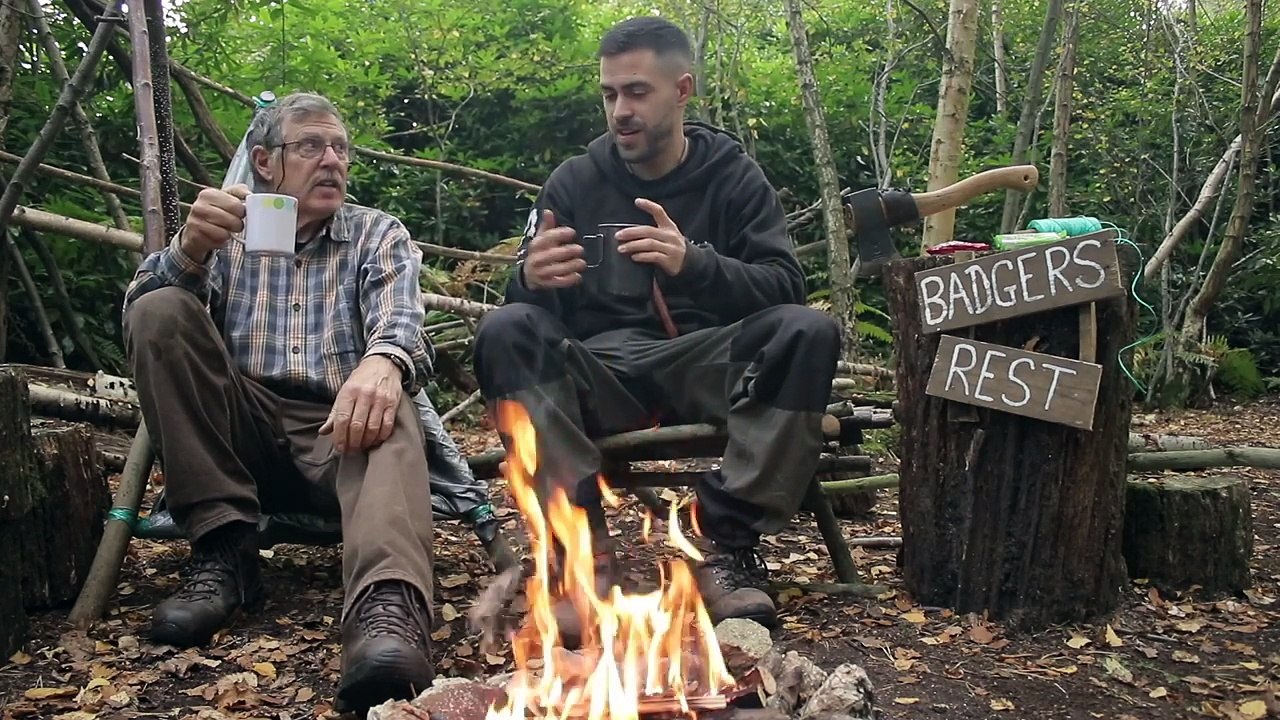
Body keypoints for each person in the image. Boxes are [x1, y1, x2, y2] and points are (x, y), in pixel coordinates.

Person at [472, 16, 840, 637]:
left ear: (683, 90)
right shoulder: (574, 182)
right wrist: (529, 280)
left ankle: (722, 543)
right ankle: (579, 553)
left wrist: (693, 263)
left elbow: (784, 288)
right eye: (611, 93)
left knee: (808, 331)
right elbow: (531, 322)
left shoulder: (734, 177)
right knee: (505, 328)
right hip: (601, 372)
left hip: (706, 363)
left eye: (637, 91)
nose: (620, 110)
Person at [121, 92, 435, 714]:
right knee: (159, 308)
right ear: (264, 163)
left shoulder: (376, 233)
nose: (332, 161)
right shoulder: (225, 233)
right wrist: (187, 253)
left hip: (340, 436)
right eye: (311, 146)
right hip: (243, 434)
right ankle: (224, 555)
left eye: (340, 148)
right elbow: (137, 322)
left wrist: (382, 363)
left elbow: (402, 325)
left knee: (390, 396)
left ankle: (387, 609)